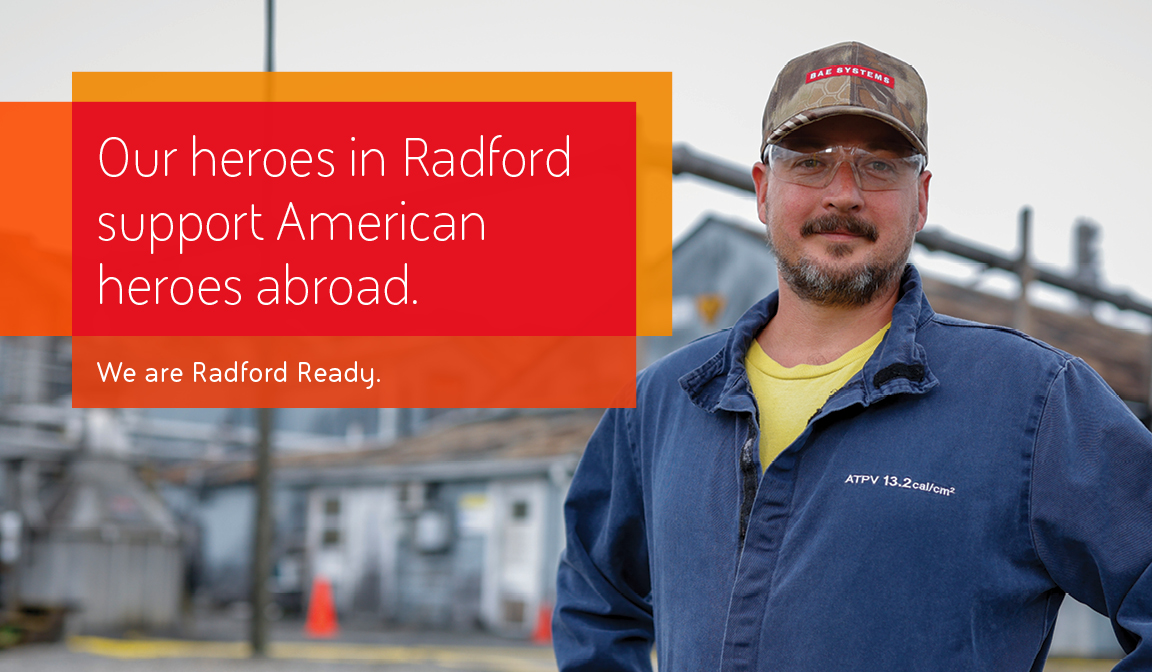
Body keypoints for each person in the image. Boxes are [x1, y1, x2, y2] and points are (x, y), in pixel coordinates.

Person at [553, 41, 1152, 671]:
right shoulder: (658, 404)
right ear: (763, 190)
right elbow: (596, 601)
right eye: (810, 162)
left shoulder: (1032, 401)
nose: (843, 193)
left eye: (879, 165)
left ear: (921, 199)